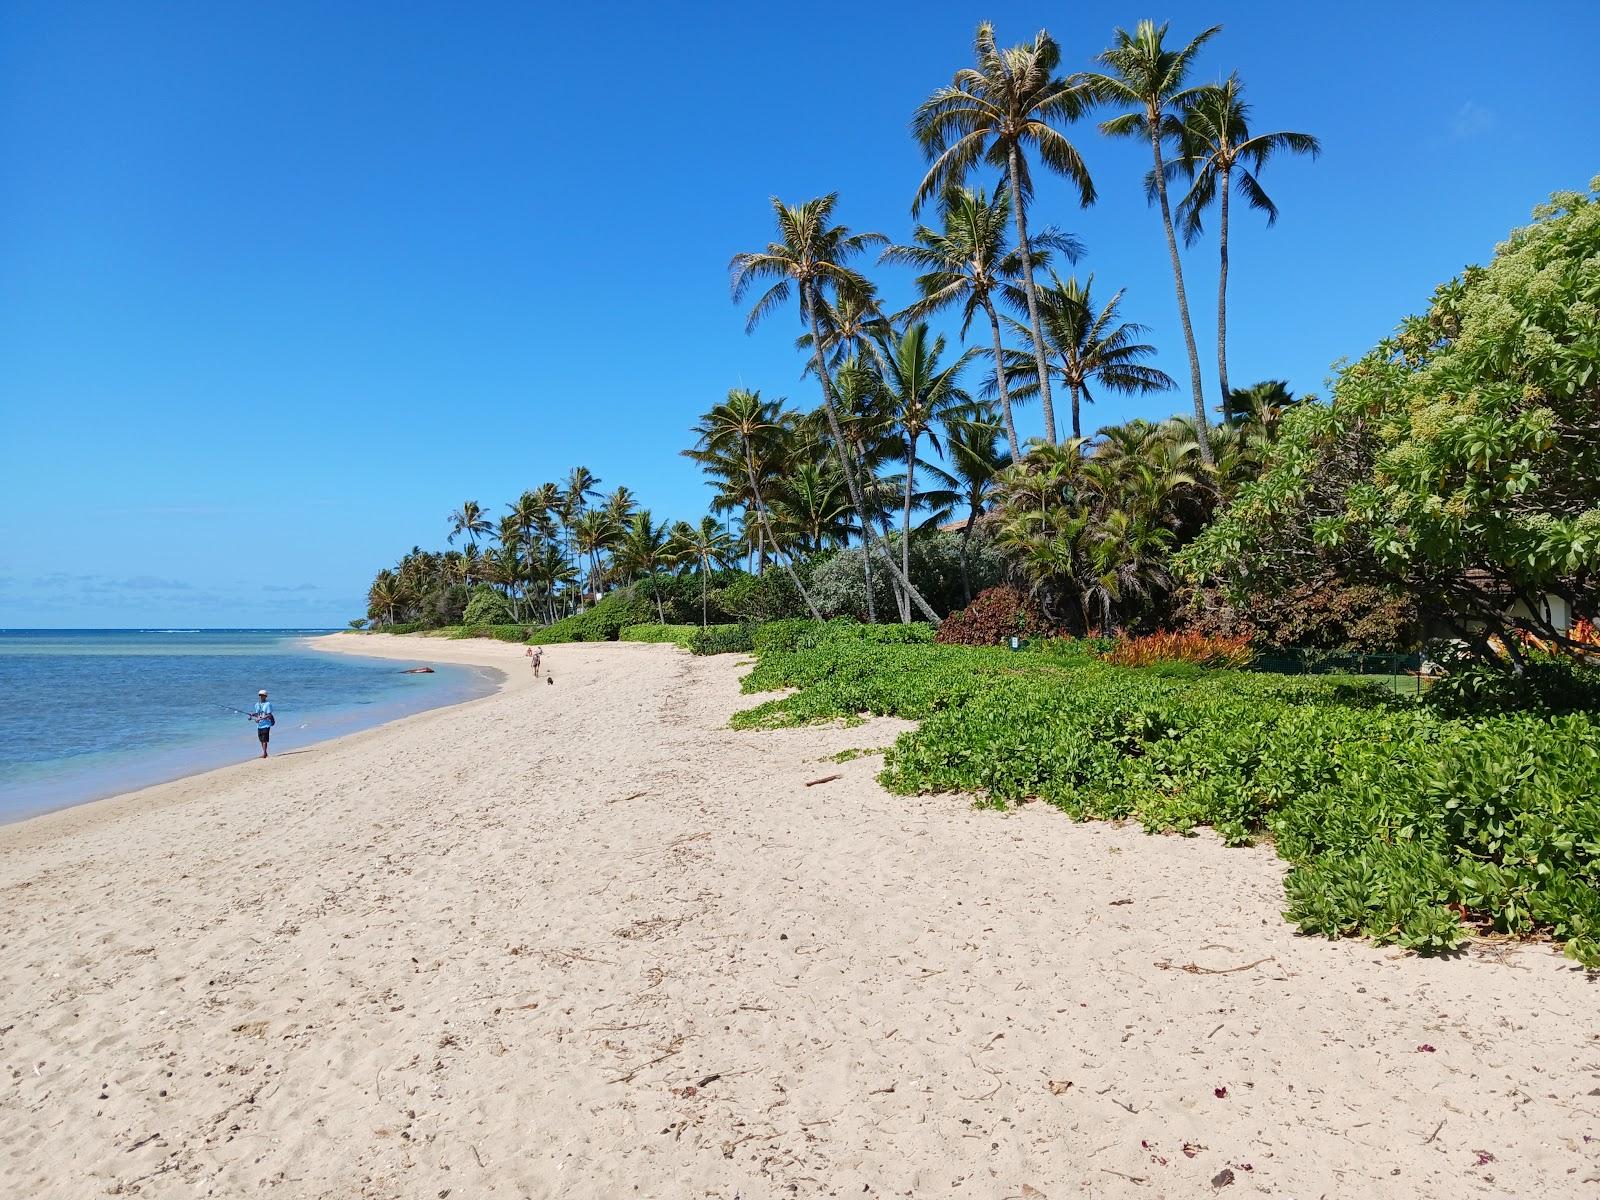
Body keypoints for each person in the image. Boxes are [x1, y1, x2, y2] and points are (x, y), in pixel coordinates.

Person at [250, 689, 274, 758]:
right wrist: (252, 714)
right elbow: (258, 714)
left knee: (264, 740)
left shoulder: (268, 704)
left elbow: (269, 715)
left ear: (265, 696)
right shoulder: (257, 704)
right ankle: (265, 753)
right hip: (259, 725)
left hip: (266, 724)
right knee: (261, 739)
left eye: (262, 695)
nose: (261, 696)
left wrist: (260, 719)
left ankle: (264, 753)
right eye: (260, 695)